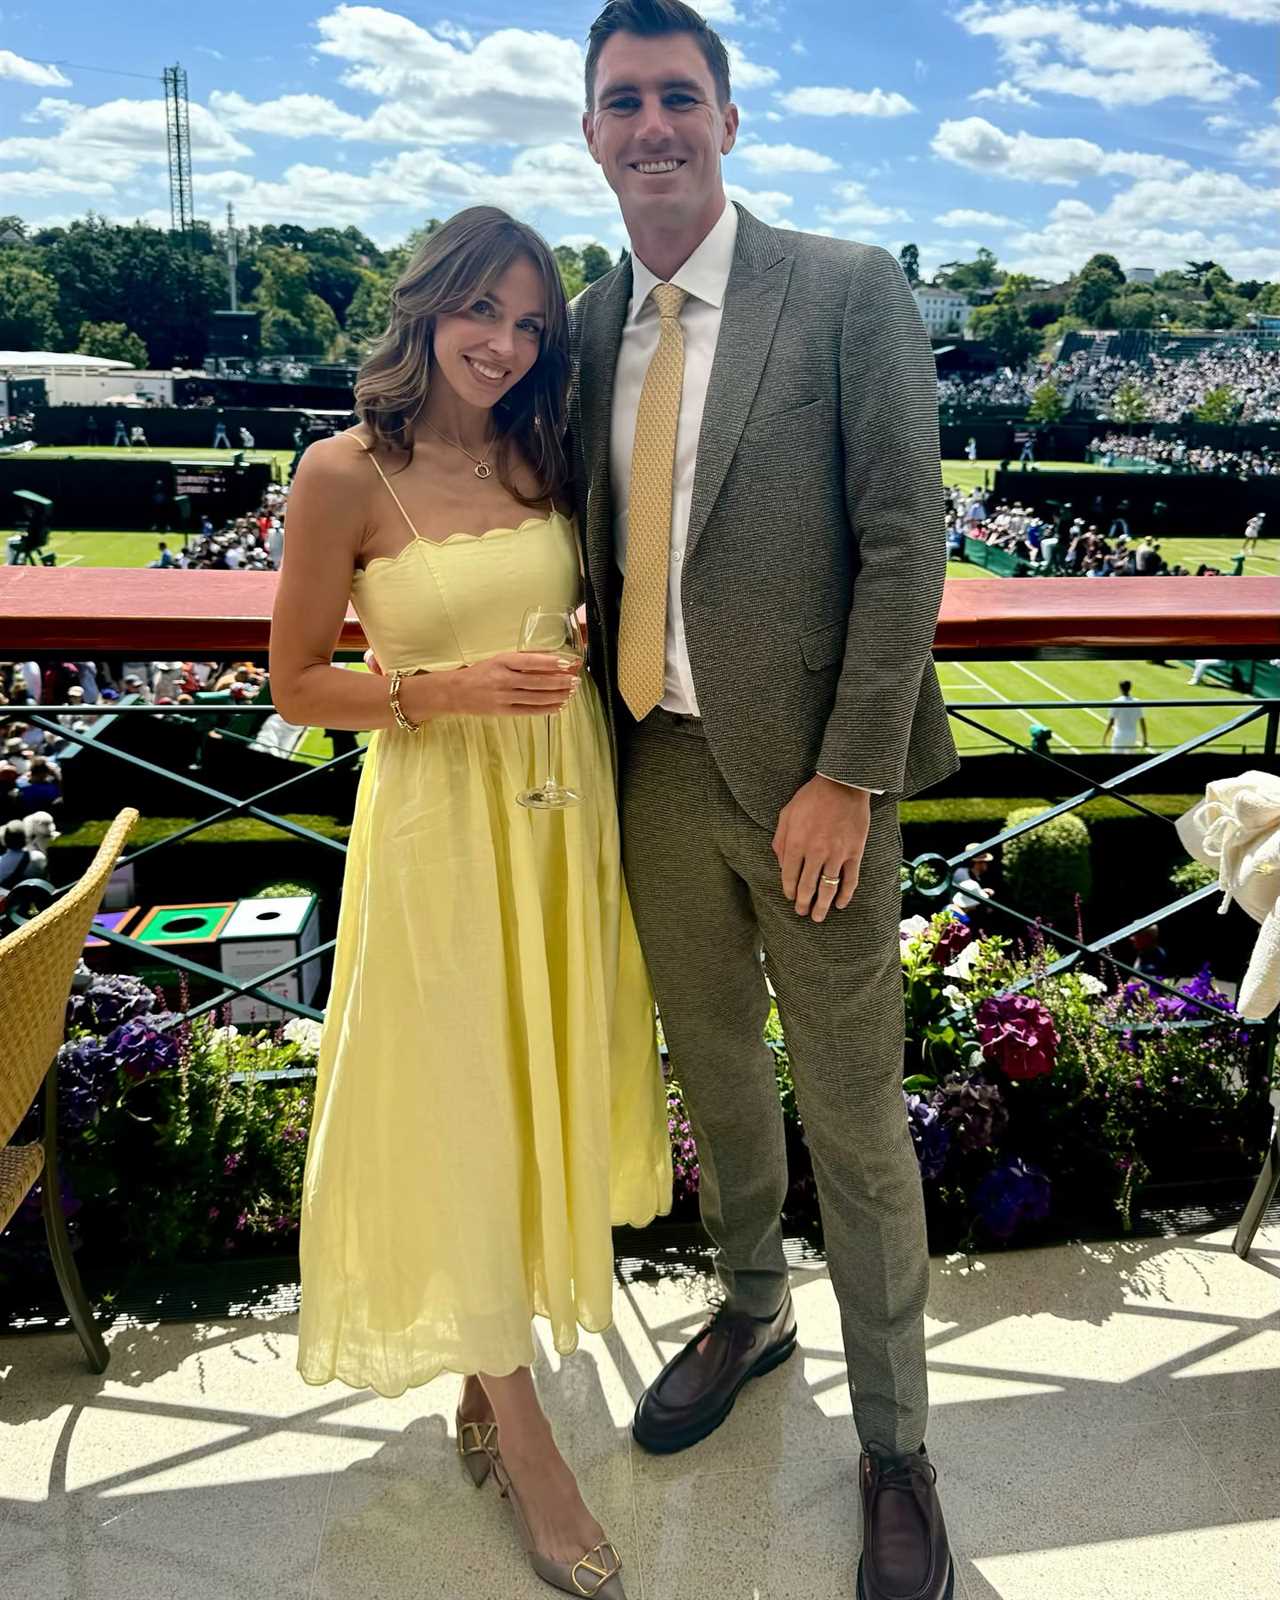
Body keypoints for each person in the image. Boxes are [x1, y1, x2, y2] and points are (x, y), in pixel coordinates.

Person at [572, 6, 958, 1598]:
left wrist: (851, 773)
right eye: (621, 101)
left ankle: (896, 1448)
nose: (651, 123)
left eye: (677, 95)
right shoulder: (584, 323)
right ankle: (750, 1303)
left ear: (727, 118)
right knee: (720, 1081)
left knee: (858, 1123)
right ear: (589, 133)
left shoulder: (848, 287)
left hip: (816, 791)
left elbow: (904, 538)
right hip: (651, 771)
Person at [270, 206, 669, 1600]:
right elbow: (295, 686)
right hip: (440, 834)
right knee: (461, 1110)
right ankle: (533, 1452)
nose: (502, 344)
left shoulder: (542, 448)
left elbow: (581, 597)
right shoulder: (341, 474)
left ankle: (488, 1392)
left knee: (527, 1094)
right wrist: (436, 690)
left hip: (561, 826)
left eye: (528, 324)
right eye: (480, 313)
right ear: (427, 305)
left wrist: (562, 634)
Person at [1104, 679, 1148, 752]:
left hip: (1119, 735)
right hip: (1132, 735)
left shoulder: (1116, 702)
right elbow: (1142, 722)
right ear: (1130, 688)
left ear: (1120, 688)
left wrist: (1105, 737)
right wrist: (1145, 739)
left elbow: (1111, 722)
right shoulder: (1137, 702)